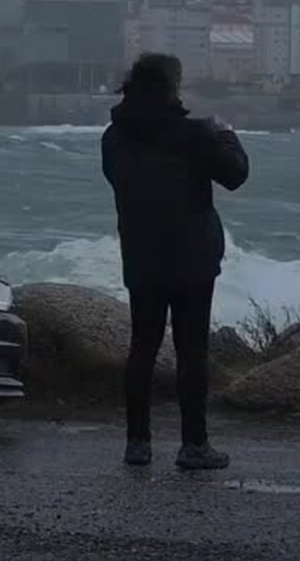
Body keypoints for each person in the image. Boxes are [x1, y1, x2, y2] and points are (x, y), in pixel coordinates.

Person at [100, 53, 250, 470]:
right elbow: (236, 175)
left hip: (140, 253)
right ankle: (194, 445)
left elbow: (116, 179)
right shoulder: (195, 134)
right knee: (192, 351)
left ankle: (137, 443)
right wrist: (226, 134)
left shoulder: (114, 136)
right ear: (172, 88)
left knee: (142, 348)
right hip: (193, 257)